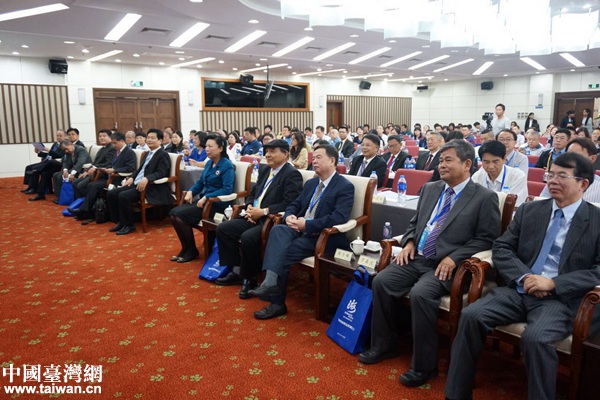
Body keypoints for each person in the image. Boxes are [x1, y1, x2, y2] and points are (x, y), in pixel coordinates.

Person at [445, 152, 600, 400]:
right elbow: (502, 247)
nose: (552, 181)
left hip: (560, 299)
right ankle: (456, 394)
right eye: (550, 175)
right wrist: (525, 277)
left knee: (536, 339)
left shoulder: (595, 220)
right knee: (471, 316)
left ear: (583, 184)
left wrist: (554, 283)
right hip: (518, 290)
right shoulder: (531, 210)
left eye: (562, 176)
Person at [358, 140, 501, 390]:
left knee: (421, 294)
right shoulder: (430, 189)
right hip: (418, 256)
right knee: (381, 281)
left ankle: (424, 365)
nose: (441, 165)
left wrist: (454, 257)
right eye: (440, 160)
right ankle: (385, 344)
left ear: (467, 164)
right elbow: (415, 223)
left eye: (448, 160)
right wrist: (410, 241)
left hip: (448, 265)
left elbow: (487, 238)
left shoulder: (484, 197)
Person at [247, 145, 354, 319]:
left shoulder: (344, 186)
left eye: (319, 157)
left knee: (282, 251)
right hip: (299, 228)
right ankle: (270, 282)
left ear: (332, 160)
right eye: (314, 157)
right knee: (278, 230)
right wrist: (289, 215)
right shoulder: (312, 183)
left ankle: (276, 302)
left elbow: (339, 217)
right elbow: (295, 204)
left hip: (322, 236)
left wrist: (308, 225)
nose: (314, 161)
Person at [215, 140, 303, 297]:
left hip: (270, 221)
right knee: (224, 229)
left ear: (285, 154)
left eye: (272, 151)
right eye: (266, 151)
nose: (267, 155)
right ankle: (236, 270)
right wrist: (249, 206)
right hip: (253, 215)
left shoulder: (292, 174)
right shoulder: (265, 169)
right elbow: (253, 193)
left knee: (248, 237)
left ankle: (250, 278)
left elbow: (289, 203)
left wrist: (262, 212)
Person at [169, 134, 234, 261]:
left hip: (217, 205)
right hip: (204, 202)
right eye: (206, 146)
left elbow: (227, 189)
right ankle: (186, 248)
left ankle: (191, 250)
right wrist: (191, 191)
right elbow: (200, 182)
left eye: (210, 146)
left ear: (221, 148)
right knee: (173, 214)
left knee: (179, 215)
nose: (207, 149)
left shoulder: (227, 165)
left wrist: (207, 197)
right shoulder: (209, 163)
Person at [106, 129, 171, 235]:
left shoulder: (163, 154)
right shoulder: (147, 153)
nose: (149, 140)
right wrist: (132, 177)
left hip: (150, 187)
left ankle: (129, 225)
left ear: (160, 141)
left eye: (153, 138)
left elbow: (162, 172)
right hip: (137, 183)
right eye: (148, 137)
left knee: (123, 196)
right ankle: (121, 222)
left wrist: (147, 178)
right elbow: (140, 169)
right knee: (112, 193)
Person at [69, 132, 137, 221]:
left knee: (95, 186)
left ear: (122, 141)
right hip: (110, 176)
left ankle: (84, 211)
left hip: (118, 178)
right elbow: (111, 164)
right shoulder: (118, 151)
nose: (113, 145)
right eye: (112, 143)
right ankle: (88, 211)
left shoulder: (129, 152)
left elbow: (131, 168)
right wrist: (107, 169)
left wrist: (114, 170)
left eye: (115, 143)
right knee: (91, 185)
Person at [539, 137, 600, 202]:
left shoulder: (598, 186)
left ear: (593, 158)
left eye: (577, 156)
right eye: (568, 156)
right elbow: (542, 203)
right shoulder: (555, 180)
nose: (570, 160)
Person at [472, 140, 528, 206]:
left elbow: (516, 205)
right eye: (486, 162)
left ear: (504, 159)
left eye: (495, 161)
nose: (491, 166)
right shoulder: (477, 176)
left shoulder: (517, 176)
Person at [72, 129, 116, 200]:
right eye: (100, 136)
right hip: (93, 172)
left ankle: (88, 203)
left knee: (80, 186)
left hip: (101, 174)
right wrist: (87, 171)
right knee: (74, 182)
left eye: (104, 136)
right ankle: (79, 203)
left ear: (110, 137)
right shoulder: (102, 148)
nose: (101, 138)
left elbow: (109, 164)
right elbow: (95, 163)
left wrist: (95, 168)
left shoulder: (112, 148)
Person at [22, 129, 66, 195]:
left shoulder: (65, 145)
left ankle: (34, 188)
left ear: (65, 136)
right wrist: (39, 152)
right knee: (28, 167)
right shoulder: (55, 144)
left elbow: (59, 155)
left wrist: (49, 150)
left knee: (35, 169)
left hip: (54, 164)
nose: (58, 137)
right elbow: (49, 154)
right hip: (47, 160)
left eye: (60, 136)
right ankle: (30, 186)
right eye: (57, 135)